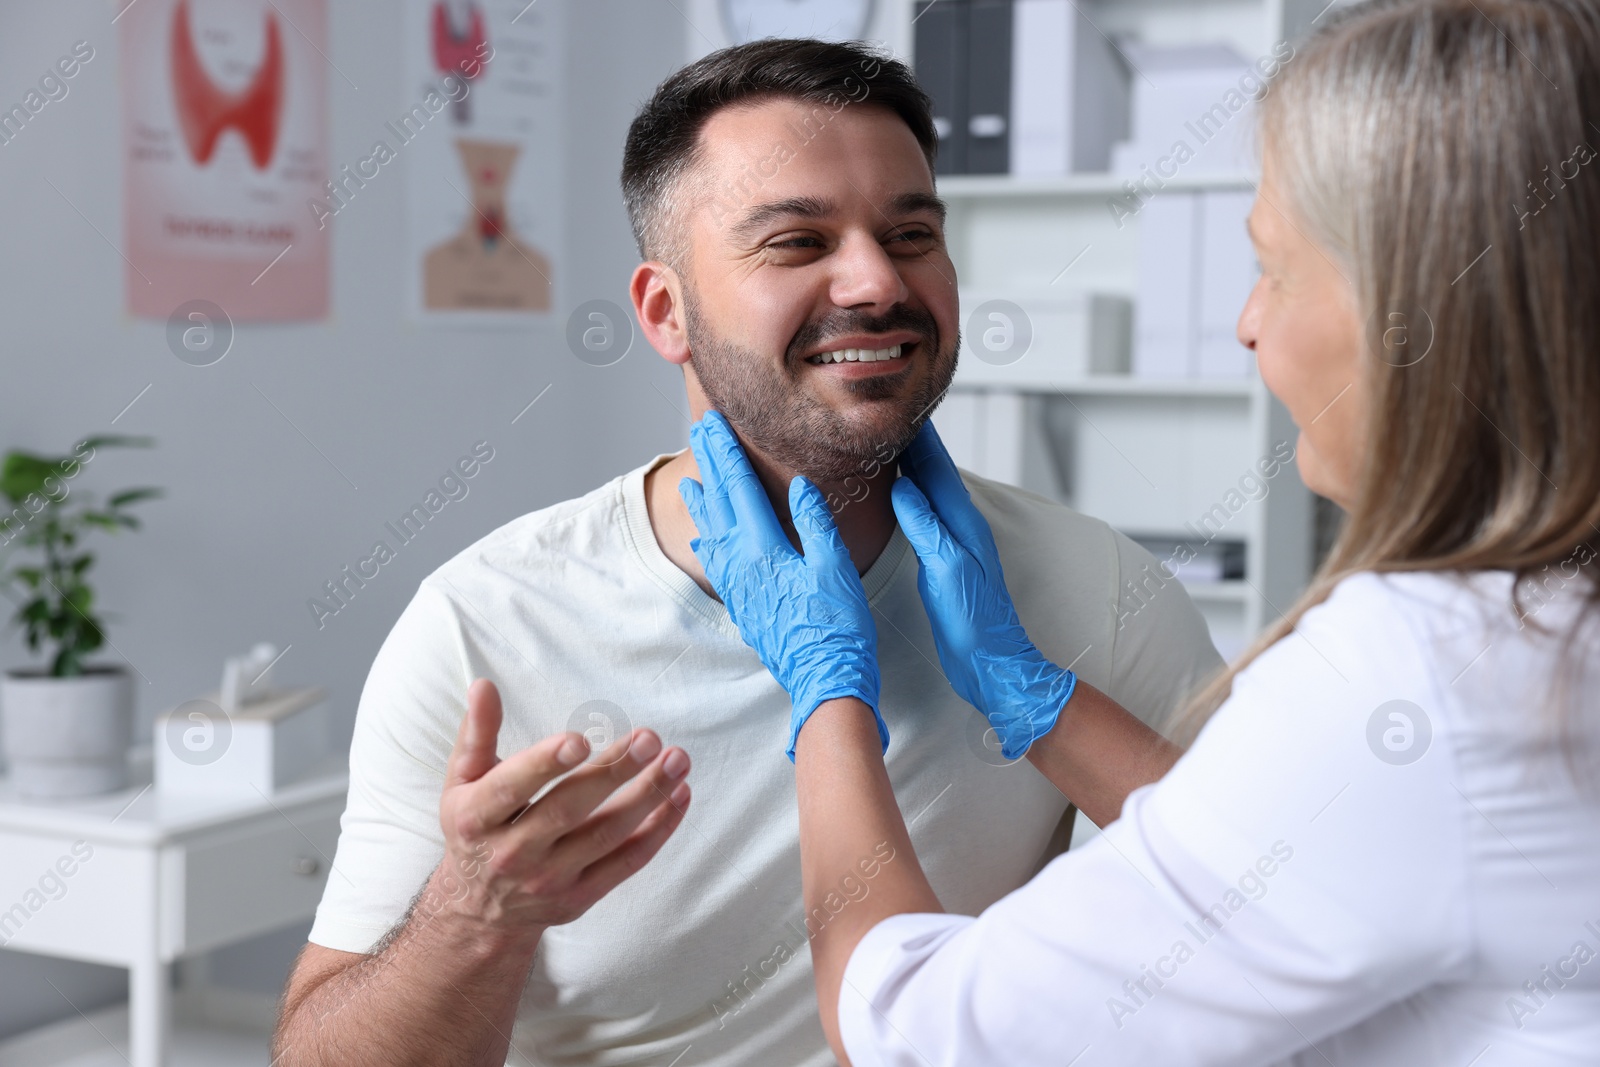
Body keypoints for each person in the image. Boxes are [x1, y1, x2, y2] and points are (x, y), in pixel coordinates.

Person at [271, 38, 1221, 1067]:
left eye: (910, 233)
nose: (872, 281)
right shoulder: (489, 624)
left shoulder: (1101, 590)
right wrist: (471, 913)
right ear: (663, 311)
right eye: (796, 241)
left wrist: (1031, 694)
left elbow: (1267, 911)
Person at [682, 1, 1600, 1063]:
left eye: (1276, 266)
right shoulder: (1514, 646)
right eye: (795, 240)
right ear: (665, 312)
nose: (1249, 319)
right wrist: (1037, 693)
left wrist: (829, 692)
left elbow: (914, 1035)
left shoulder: (1418, 675)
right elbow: (1279, 878)